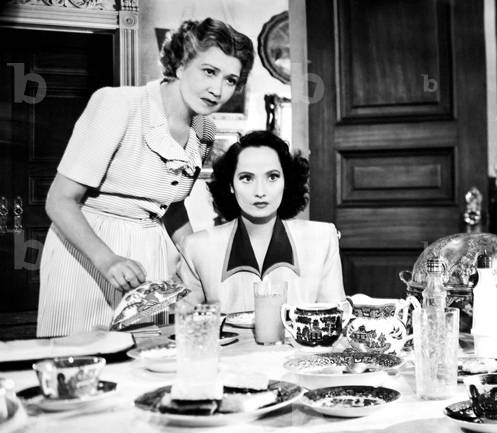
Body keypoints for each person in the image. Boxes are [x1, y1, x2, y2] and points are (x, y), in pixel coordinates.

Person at [37, 18, 254, 337]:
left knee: (143, 359)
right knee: (81, 358)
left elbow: (171, 205)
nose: (217, 90)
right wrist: (108, 260)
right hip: (89, 250)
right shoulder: (118, 104)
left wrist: (200, 258)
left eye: (231, 79)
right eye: (209, 71)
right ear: (181, 65)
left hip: (151, 253)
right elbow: (59, 201)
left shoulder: (204, 130)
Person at [178, 129, 345, 313]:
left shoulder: (321, 240)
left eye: (272, 177)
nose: (260, 191)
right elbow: (183, 325)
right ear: (231, 186)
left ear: (286, 182)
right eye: (247, 178)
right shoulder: (196, 247)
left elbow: (335, 320)